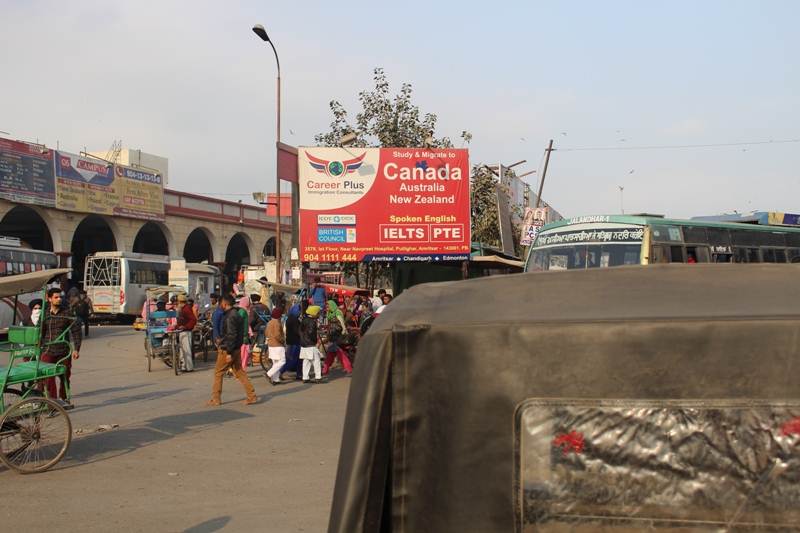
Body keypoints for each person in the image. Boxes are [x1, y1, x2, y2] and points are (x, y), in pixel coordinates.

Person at [207, 294, 258, 406]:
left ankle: (216, 398)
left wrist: (228, 351)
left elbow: (231, 335)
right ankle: (252, 395)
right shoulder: (238, 314)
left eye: (221, 303)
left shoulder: (229, 316)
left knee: (218, 373)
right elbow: (234, 334)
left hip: (228, 349)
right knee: (239, 372)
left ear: (224, 303)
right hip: (236, 347)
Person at [40, 288, 81, 404]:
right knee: (48, 377)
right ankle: (53, 402)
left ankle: (64, 399)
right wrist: (38, 347)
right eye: (56, 297)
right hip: (48, 350)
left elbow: (76, 331)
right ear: (49, 299)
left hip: (64, 351)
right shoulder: (45, 313)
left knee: (65, 377)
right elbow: (40, 332)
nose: (59, 299)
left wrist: (76, 349)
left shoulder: (67, 313)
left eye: (60, 297)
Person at [322, 300, 353, 376]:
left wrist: (343, 330)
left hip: (337, 335)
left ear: (332, 305)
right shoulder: (330, 313)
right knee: (331, 353)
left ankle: (349, 369)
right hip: (332, 335)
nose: (327, 307)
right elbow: (329, 323)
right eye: (326, 306)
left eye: (328, 305)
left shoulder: (337, 312)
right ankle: (325, 370)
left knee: (339, 353)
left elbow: (342, 323)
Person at [299, 305, 323, 383]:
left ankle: (305, 377)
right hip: (311, 344)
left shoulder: (304, 320)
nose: (319, 314)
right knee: (316, 361)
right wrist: (315, 341)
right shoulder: (312, 322)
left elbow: (300, 331)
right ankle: (318, 377)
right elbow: (311, 333)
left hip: (304, 343)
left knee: (306, 361)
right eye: (318, 313)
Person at [175, 294, 196, 372]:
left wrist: (185, 326)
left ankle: (189, 368)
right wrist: (176, 326)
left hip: (186, 331)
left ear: (180, 302)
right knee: (182, 351)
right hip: (182, 331)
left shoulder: (186, 309)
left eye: (178, 302)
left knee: (187, 350)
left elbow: (193, 320)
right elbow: (180, 321)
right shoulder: (182, 309)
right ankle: (184, 366)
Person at [283, 299, 303, 380]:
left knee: (298, 359)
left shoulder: (290, 318)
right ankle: (280, 371)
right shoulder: (294, 319)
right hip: (295, 342)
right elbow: (297, 331)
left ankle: (299, 374)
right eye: (299, 310)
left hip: (292, 341)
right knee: (293, 360)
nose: (300, 312)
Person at [265, 307, 286, 385]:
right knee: (282, 361)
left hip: (271, 345)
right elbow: (278, 335)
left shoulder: (269, 322)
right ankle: (268, 374)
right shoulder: (277, 323)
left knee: (275, 362)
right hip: (278, 345)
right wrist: (283, 341)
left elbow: (266, 333)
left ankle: (276, 379)